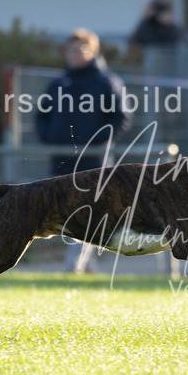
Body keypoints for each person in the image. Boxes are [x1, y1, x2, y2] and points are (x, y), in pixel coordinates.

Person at [36, 28, 133, 272]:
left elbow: (121, 116)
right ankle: (87, 267)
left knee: (91, 211)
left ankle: (74, 266)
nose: (75, 55)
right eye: (71, 50)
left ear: (93, 52)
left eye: (81, 50)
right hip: (63, 160)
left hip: (94, 160)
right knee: (69, 212)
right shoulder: (59, 82)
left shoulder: (106, 81)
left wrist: (99, 141)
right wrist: (49, 137)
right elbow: (41, 114)